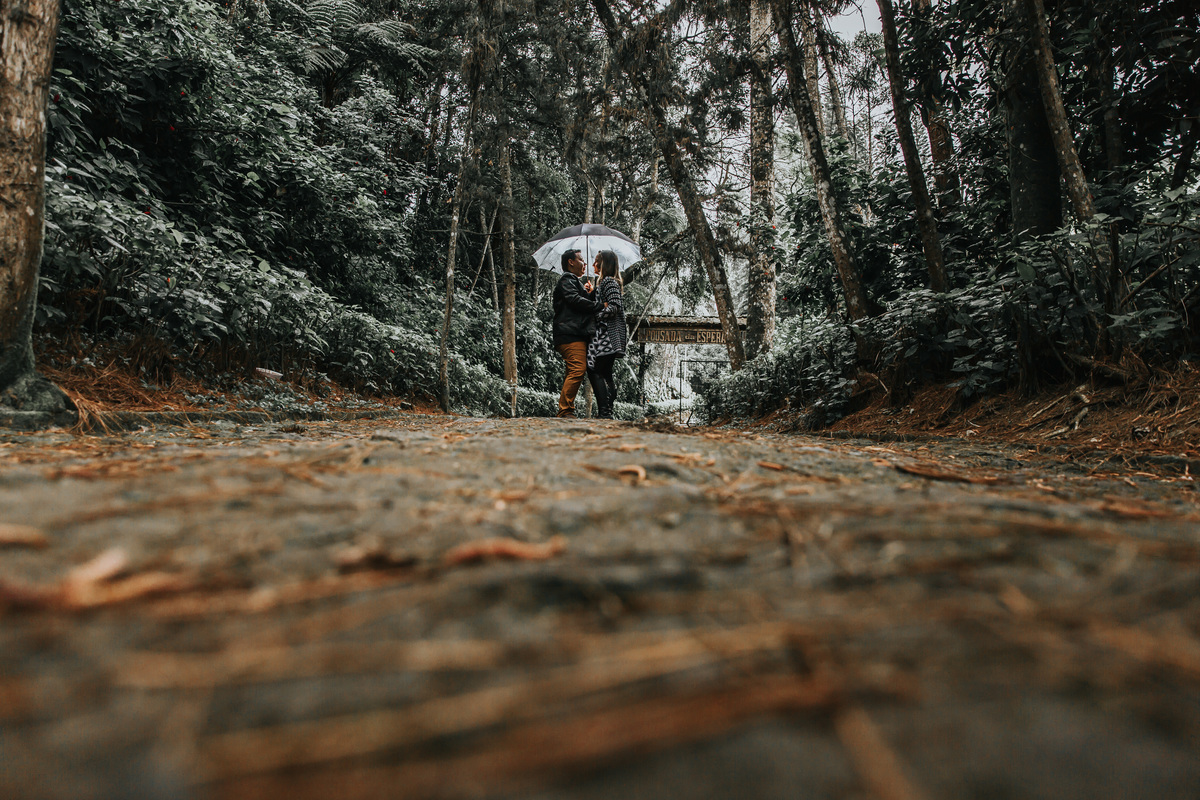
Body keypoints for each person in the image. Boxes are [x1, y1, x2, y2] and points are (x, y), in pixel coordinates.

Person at [552, 248, 605, 418]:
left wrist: (589, 293)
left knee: (573, 370)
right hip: (569, 334)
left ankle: (565, 410)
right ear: (571, 262)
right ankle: (565, 410)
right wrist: (598, 305)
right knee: (578, 368)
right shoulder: (567, 279)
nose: (585, 264)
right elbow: (574, 300)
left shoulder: (574, 282)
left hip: (573, 333)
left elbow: (580, 300)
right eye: (581, 260)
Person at [586, 250, 627, 420]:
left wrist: (597, 314)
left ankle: (605, 411)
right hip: (605, 335)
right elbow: (604, 303)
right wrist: (591, 292)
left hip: (606, 335)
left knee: (594, 370)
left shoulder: (609, 282)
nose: (594, 265)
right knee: (605, 372)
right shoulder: (604, 283)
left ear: (604, 264)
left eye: (596, 262)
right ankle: (607, 411)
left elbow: (614, 306)